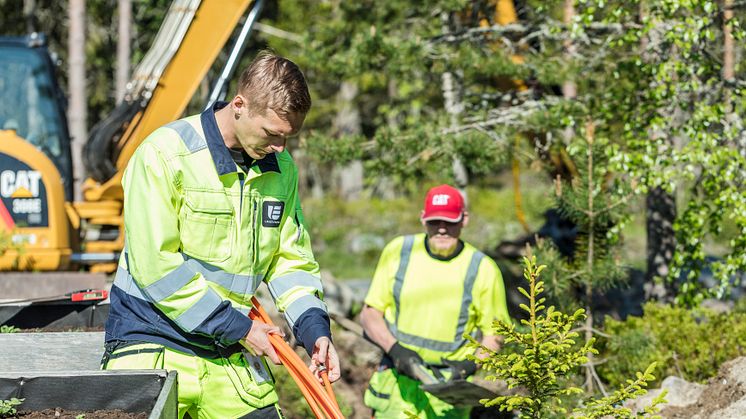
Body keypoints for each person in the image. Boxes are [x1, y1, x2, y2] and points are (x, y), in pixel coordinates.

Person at [102, 51, 339, 419]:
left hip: (228, 352)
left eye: (288, 137)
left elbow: (290, 260)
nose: (281, 148)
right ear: (239, 105)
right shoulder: (164, 154)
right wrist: (241, 329)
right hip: (152, 340)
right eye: (272, 134)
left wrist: (314, 331)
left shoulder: (281, 169)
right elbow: (157, 268)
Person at [360, 184, 511, 418]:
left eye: (450, 222)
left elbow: (496, 334)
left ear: (464, 220)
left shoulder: (482, 268)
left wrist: (470, 365)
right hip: (396, 386)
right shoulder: (399, 251)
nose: (442, 229)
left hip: (448, 394)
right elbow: (370, 315)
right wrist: (395, 349)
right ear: (423, 219)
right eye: (434, 221)